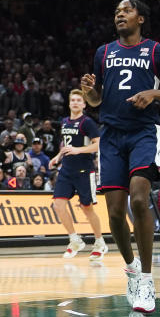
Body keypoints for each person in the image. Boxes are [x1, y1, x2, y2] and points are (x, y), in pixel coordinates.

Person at [80, 0, 160, 313]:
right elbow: (98, 100)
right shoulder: (103, 52)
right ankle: (131, 267)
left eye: (126, 10)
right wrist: (89, 93)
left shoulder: (158, 52)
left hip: (143, 132)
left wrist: (154, 93)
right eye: (116, 11)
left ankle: (147, 280)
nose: (119, 14)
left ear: (140, 18)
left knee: (139, 200)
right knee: (114, 214)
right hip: (111, 136)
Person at [50, 89, 106, 260]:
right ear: (69, 103)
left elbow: (98, 145)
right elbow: (65, 143)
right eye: (72, 99)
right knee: (58, 205)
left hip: (84, 170)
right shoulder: (65, 122)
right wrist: (58, 156)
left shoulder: (87, 123)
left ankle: (100, 242)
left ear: (84, 104)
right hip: (66, 169)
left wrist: (77, 150)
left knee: (86, 207)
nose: (75, 102)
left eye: (78, 100)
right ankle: (74, 239)